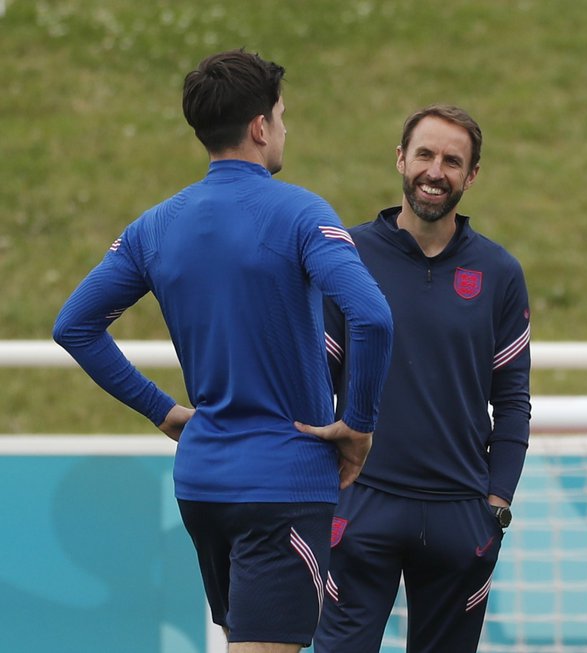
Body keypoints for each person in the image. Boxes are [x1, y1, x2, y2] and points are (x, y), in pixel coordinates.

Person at [52, 49, 393, 652]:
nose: (284, 129)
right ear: (260, 126)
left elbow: (75, 326)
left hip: (203, 482)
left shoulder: (154, 226)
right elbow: (371, 315)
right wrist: (358, 424)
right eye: (282, 116)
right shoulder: (299, 213)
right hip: (283, 484)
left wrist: (164, 410)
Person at [313, 104, 532, 653]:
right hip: (362, 501)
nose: (436, 171)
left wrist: (496, 503)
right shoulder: (350, 254)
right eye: (425, 155)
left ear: (472, 175)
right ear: (400, 159)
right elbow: (315, 381)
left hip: (461, 512)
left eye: (453, 161)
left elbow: (512, 401)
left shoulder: (499, 273)